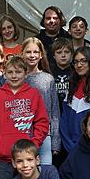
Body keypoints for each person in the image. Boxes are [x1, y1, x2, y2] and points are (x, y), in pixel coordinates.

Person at [22, 37, 61, 165]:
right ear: (22, 53)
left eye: (35, 52)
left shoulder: (47, 79)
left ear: (41, 55)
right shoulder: (16, 78)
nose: (32, 55)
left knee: (44, 173)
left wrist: (55, 141)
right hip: (22, 133)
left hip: (45, 135)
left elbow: (54, 111)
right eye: (28, 52)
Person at [51, 37, 73, 111]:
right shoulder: (49, 74)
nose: (63, 55)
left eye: (66, 52)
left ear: (71, 54)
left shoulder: (76, 73)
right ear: (54, 55)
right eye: (59, 52)